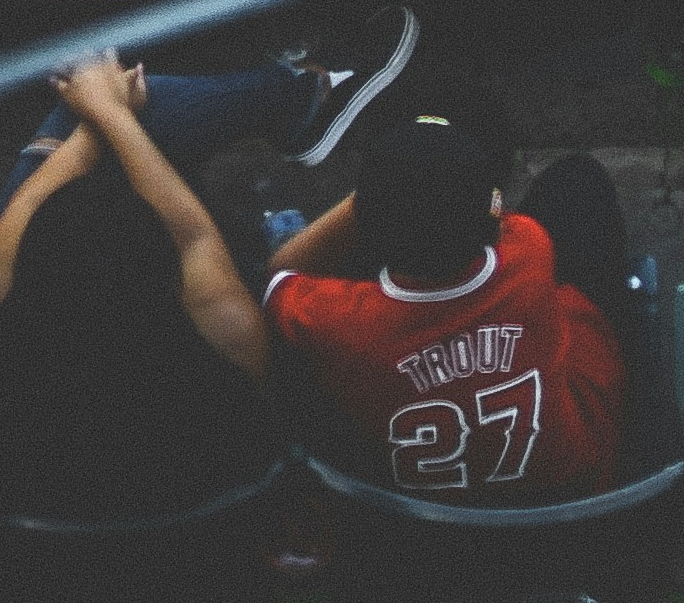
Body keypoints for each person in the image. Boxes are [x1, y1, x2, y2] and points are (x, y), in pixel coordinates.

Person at [0, 53, 287, 521]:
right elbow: (194, 236)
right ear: (170, 280)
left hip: (29, 529)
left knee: (74, 117)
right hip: (182, 522)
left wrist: (96, 114)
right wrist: (111, 111)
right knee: (118, 118)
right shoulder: (229, 335)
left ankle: (292, 93)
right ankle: (298, 92)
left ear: (25, 271)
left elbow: (30, 204)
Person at [265, 94, 635, 491]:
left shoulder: (336, 320)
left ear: (366, 226)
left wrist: (381, 192)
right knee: (576, 180)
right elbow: (495, 220)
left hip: (425, 525)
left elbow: (279, 270)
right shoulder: (528, 251)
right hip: (576, 496)